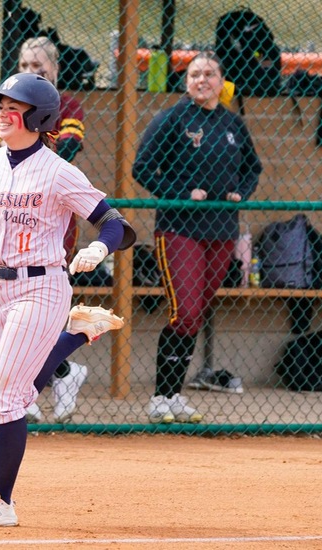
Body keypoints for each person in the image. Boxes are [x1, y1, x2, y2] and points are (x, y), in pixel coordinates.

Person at [0, 73, 134, 527]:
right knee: (13, 395)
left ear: (38, 117)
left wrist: (99, 248)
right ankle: (77, 334)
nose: (2, 113)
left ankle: (0, 501)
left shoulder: (59, 171)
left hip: (42, 285)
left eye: (13, 106)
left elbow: (115, 222)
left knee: (2, 394)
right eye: (0, 105)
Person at [132, 51, 262, 424]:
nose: (201, 80)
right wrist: (179, 192)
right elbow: (141, 167)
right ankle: (160, 396)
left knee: (196, 315)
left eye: (209, 74)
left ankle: (174, 397)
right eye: (193, 75)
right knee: (184, 311)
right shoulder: (173, 118)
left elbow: (253, 168)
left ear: (222, 82)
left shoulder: (232, 124)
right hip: (179, 229)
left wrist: (241, 191)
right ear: (185, 82)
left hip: (221, 231)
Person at [0, 36, 90, 423]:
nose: (31, 73)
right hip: (0, 224)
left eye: (40, 68)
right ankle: (63, 372)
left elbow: (66, 151)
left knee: (33, 318)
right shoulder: (7, 115)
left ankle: (41, 383)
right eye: (25, 66)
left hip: (44, 224)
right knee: (18, 339)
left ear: (55, 71)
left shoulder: (65, 107)